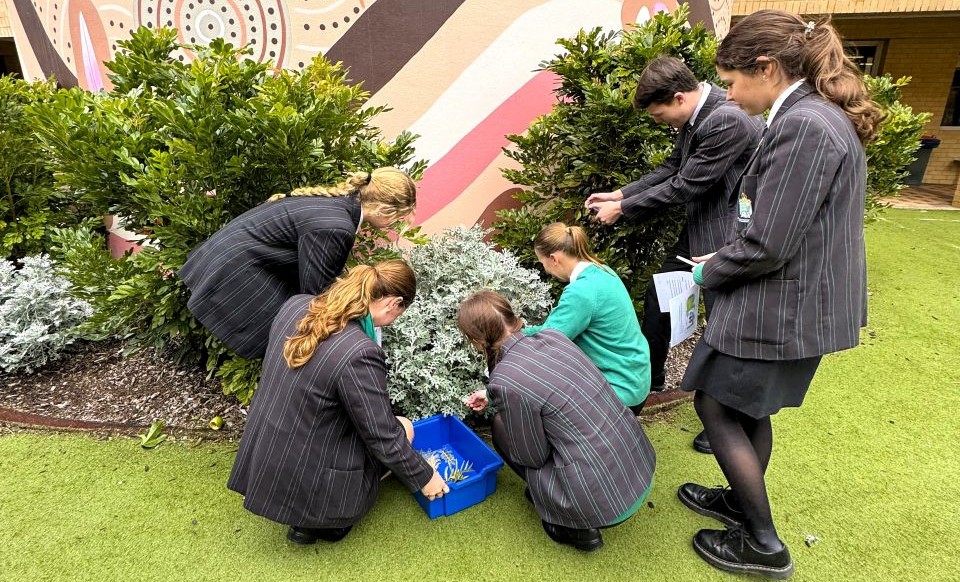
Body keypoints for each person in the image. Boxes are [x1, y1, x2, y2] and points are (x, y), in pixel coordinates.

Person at [677, 10, 883, 579]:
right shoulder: (805, 114)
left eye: (733, 79)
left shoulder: (806, 124)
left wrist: (709, 272)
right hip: (788, 295)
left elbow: (769, 242)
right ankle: (741, 503)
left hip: (784, 303)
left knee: (716, 405)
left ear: (766, 68)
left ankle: (763, 544)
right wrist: (723, 258)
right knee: (745, 407)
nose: (728, 91)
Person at [585, 56, 765, 454]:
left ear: (680, 97)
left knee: (724, 326)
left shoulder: (726, 119)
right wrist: (620, 193)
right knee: (661, 296)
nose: (659, 121)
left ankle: (730, 418)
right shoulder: (697, 115)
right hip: (701, 230)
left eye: (659, 114)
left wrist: (624, 210)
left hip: (728, 236)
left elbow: (687, 185)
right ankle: (647, 384)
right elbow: (673, 167)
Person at [227, 259, 448, 545]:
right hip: (310, 473)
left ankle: (306, 516)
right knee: (403, 428)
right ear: (394, 303)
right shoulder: (359, 352)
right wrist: (425, 476)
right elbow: (382, 435)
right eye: (399, 313)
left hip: (264, 458)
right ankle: (324, 521)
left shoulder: (296, 304)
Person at [460, 290, 656, 552]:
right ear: (509, 315)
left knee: (499, 426)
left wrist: (503, 404)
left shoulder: (505, 380)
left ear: (476, 340)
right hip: (638, 465)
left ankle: (575, 526)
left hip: (600, 498)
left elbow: (532, 456)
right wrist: (494, 395)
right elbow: (549, 387)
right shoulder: (554, 336)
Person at [179, 167, 417, 360]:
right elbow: (315, 295)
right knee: (294, 333)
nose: (395, 223)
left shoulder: (334, 203)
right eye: (398, 217)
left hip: (222, 257)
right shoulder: (336, 227)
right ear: (385, 210)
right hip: (238, 273)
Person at [523, 222, 651, 414]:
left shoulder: (580, 292)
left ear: (554, 258)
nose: (546, 270)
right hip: (637, 378)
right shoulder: (603, 270)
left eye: (543, 263)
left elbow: (548, 340)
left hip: (619, 390)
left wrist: (513, 334)